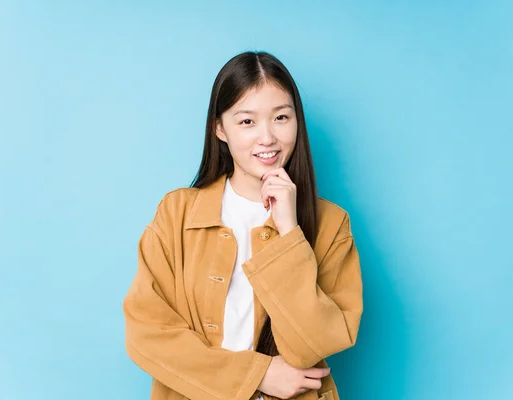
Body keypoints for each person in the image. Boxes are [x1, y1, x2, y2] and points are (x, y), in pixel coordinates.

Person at [122, 50, 363, 400]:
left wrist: (289, 234)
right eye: (247, 121)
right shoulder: (177, 214)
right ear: (220, 128)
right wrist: (256, 375)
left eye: (281, 117)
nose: (267, 137)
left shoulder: (330, 224)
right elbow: (148, 333)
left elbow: (312, 344)